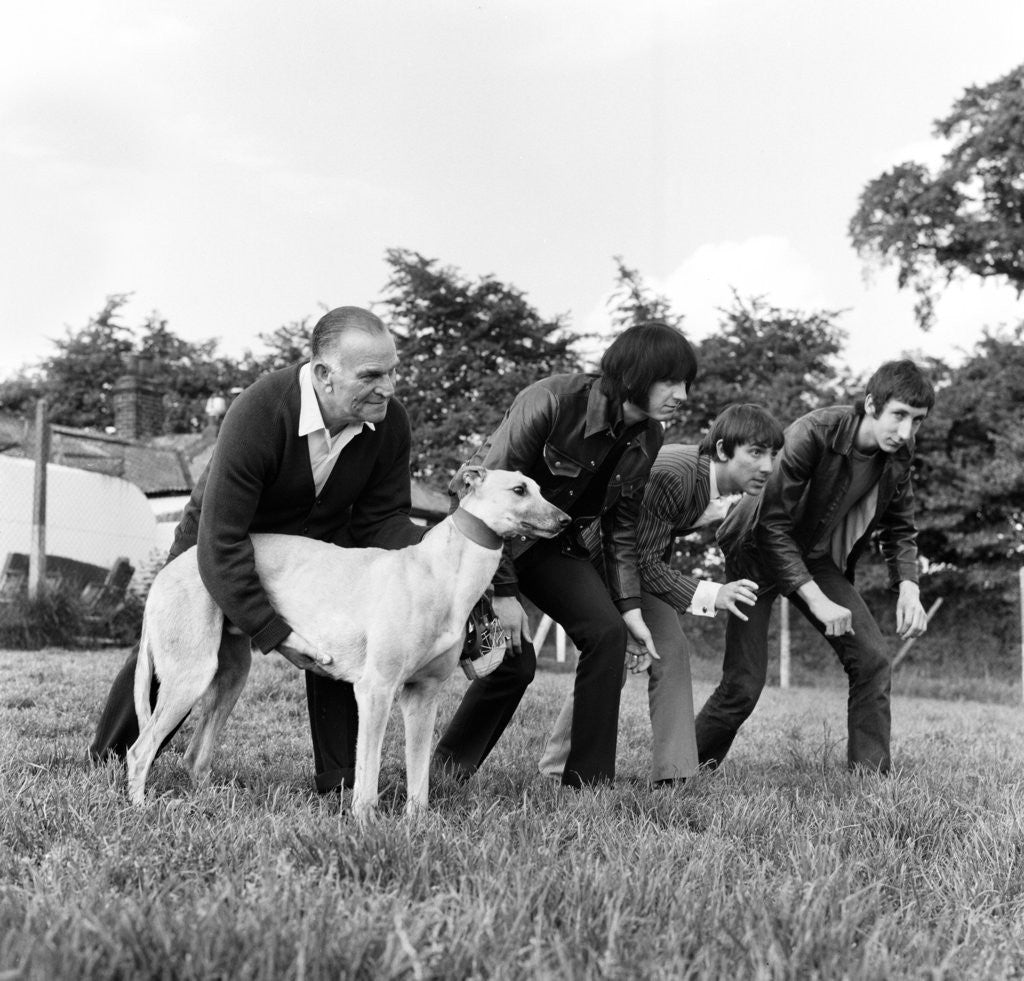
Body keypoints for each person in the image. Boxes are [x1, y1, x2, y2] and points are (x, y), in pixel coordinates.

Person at [88, 306, 426, 795]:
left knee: (337, 639)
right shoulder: (260, 410)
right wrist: (273, 630)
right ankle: (110, 759)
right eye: (372, 375)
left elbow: (382, 520)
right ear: (325, 375)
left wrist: (444, 554)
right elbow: (222, 541)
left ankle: (341, 781)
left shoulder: (390, 423)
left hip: (312, 553)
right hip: (219, 538)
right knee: (183, 654)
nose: (389, 387)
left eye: (394, 371)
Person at [433, 322, 698, 789]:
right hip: (484, 542)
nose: (681, 394)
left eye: (685, 384)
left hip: (554, 544)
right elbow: (486, 498)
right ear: (635, 374)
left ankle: (588, 785)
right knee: (514, 662)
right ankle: (445, 773)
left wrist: (631, 609)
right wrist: (505, 592)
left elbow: (620, 527)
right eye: (670, 381)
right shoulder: (551, 401)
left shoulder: (649, 435)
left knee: (608, 634)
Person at [696, 360, 935, 773]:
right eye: (898, 416)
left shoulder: (900, 454)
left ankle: (870, 780)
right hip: (756, 549)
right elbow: (771, 525)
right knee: (744, 684)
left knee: (872, 659)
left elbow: (900, 526)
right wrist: (816, 600)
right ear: (871, 405)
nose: (905, 432)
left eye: (917, 421)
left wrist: (909, 587)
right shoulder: (814, 433)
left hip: (817, 557)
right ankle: (681, 769)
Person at [538, 403, 785, 785]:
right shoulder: (673, 474)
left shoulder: (720, 489)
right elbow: (635, 556)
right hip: (599, 560)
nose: (768, 466)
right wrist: (711, 593)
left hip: (638, 564)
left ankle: (674, 777)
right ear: (722, 450)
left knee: (670, 651)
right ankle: (558, 770)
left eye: (772, 454)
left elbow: (651, 548)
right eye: (756, 452)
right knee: (610, 657)